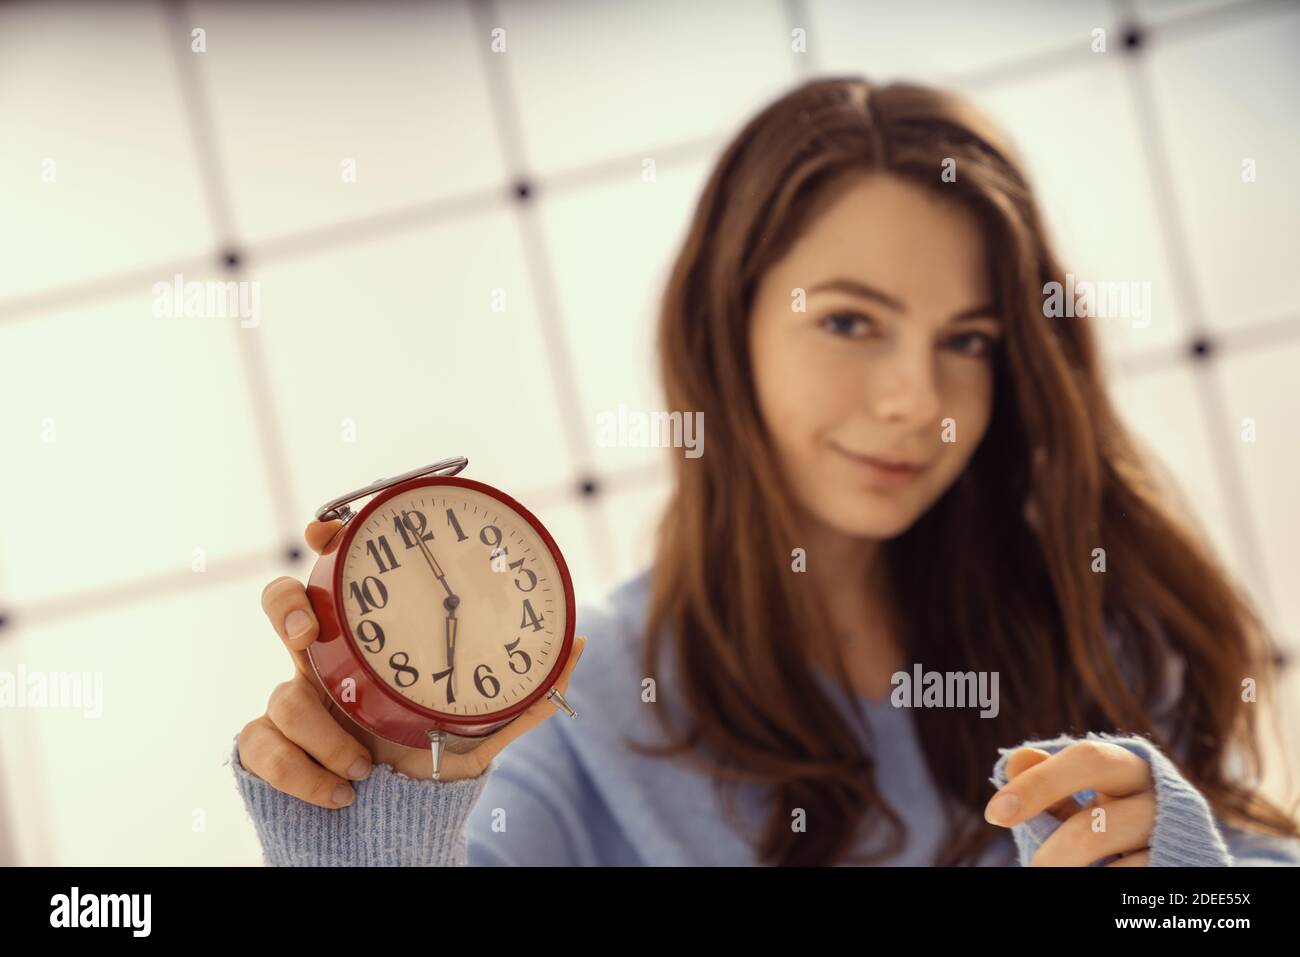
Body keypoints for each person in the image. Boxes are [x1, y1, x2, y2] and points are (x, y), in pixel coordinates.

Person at [231, 76, 1300, 866]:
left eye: (968, 340)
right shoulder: (580, 715)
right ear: (722, 327)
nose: (915, 402)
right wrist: (368, 836)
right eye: (848, 322)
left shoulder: (1096, 629)